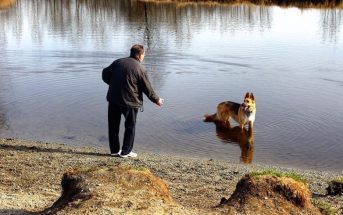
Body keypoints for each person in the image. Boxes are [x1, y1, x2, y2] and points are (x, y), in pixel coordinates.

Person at [102, 44, 164, 158]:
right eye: (144, 54)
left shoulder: (118, 62)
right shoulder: (140, 68)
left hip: (113, 99)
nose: (143, 56)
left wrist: (112, 83)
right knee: (130, 126)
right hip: (130, 102)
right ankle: (126, 152)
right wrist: (157, 100)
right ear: (140, 55)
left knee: (113, 126)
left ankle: (114, 150)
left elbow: (104, 73)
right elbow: (147, 88)